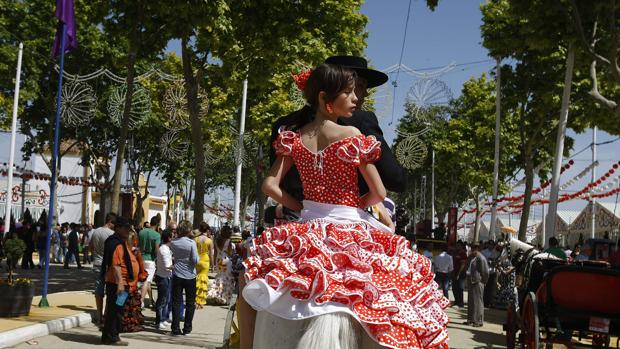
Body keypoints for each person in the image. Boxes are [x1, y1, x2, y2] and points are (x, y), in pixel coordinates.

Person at [241, 64, 448, 348]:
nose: (356, 98)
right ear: (328, 96)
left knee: (251, 276)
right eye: (350, 91)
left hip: (306, 225)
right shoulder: (352, 132)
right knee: (405, 289)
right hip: (350, 221)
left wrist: (299, 207)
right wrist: (357, 206)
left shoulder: (292, 134)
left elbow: (269, 186)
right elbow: (381, 190)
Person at [100, 217, 139, 346]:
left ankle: (110, 335)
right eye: (126, 228)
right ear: (118, 228)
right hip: (117, 284)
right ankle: (112, 337)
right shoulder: (115, 243)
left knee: (117, 309)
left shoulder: (120, 242)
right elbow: (115, 265)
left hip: (122, 283)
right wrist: (120, 284)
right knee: (115, 310)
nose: (129, 231)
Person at [169, 220, 199, 336]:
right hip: (190, 275)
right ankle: (187, 328)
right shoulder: (191, 243)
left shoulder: (174, 242)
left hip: (177, 274)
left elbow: (173, 256)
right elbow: (195, 260)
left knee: (176, 302)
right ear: (188, 230)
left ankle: (175, 328)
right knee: (190, 303)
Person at [90, 213, 117, 327]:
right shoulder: (112, 234)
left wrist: (95, 255)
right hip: (108, 265)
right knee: (110, 292)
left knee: (98, 290)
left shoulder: (95, 231)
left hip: (97, 263)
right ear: (110, 222)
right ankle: (105, 315)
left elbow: (91, 246)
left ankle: (99, 316)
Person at [206, 225, 235, 305]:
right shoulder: (229, 241)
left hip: (218, 260)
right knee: (228, 278)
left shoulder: (216, 240)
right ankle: (225, 297)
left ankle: (217, 295)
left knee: (220, 277)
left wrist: (214, 264)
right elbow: (230, 253)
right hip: (226, 260)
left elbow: (215, 252)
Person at [138, 216, 161, 308]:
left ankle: (151, 300)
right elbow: (156, 249)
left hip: (140, 257)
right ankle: (140, 302)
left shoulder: (141, 232)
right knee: (146, 281)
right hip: (150, 259)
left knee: (147, 281)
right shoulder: (156, 235)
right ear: (157, 224)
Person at [466, 243, 489, 327]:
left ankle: (478, 321)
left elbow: (485, 272)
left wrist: (484, 281)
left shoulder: (481, 258)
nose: (472, 249)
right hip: (470, 280)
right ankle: (470, 319)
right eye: (472, 247)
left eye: (474, 248)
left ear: (478, 248)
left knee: (478, 301)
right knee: (471, 300)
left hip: (478, 281)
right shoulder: (470, 257)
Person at [155, 230, 173, 330]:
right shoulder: (164, 250)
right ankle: (159, 320)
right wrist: (177, 266)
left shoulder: (165, 248)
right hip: (163, 277)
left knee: (166, 299)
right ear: (169, 238)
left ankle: (163, 318)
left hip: (165, 276)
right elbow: (167, 266)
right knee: (162, 300)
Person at [194, 222, 213, 308]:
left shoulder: (196, 239)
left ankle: (196, 300)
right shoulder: (209, 240)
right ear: (207, 230)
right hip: (205, 260)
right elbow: (211, 254)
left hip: (197, 260)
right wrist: (213, 265)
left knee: (197, 280)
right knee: (203, 280)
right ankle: (200, 301)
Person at [451, 240, 468, 307]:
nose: (457, 247)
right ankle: (456, 301)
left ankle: (461, 302)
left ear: (461, 246)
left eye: (458, 245)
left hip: (461, 273)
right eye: (456, 245)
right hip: (454, 272)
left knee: (460, 288)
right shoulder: (454, 253)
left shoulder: (463, 254)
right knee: (454, 288)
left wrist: (458, 274)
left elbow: (463, 265)